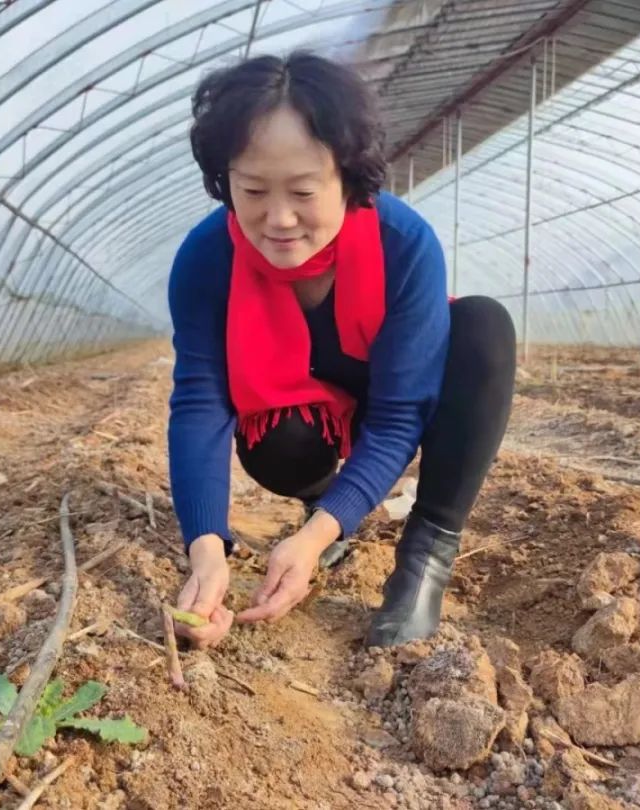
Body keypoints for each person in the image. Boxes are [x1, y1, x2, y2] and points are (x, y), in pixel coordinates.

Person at [166, 51, 516, 649]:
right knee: (277, 442)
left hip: (385, 395)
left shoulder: (402, 245)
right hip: (310, 415)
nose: (278, 219)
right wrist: (206, 547)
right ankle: (322, 503)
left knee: (483, 329)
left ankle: (426, 553)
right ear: (225, 181)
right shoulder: (207, 258)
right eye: (252, 190)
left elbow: (399, 414)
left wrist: (312, 543)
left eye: (303, 191)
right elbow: (201, 402)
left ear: (348, 180)